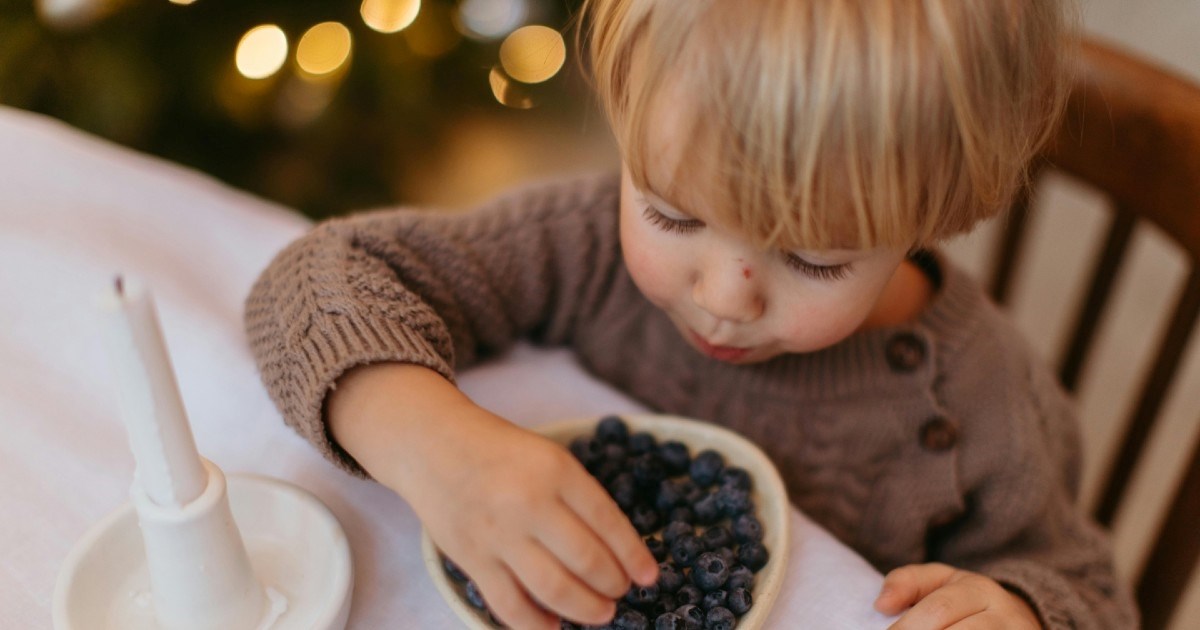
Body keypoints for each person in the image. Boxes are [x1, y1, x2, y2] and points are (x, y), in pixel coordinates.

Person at [244, 0, 1137, 628]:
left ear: (933, 215)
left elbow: (1088, 590)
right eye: (673, 215)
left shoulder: (980, 406)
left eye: (813, 259)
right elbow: (314, 280)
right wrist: (433, 446)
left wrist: (1023, 611)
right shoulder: (583, 247)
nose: (722, 299)